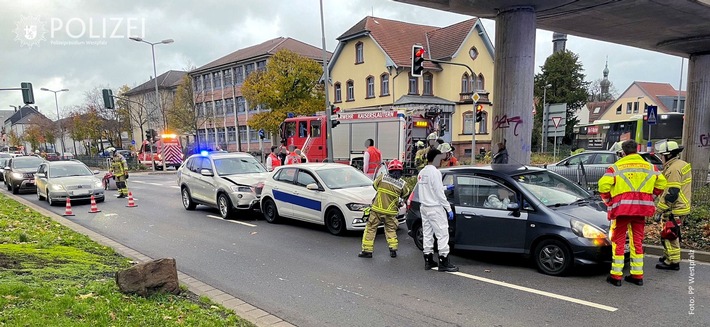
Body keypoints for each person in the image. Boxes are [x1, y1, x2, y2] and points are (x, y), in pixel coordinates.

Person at [598, 140, 666, 287]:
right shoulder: (650, 167)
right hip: (641, 210)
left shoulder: (615, 167)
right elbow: (662, 183)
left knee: (619, 241)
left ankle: (616, 276)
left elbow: (603, 186)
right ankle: (637, 275)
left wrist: (609, 201)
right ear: (637, 150)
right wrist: (651, 197)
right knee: (637, 242)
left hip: (622, 210)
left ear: (623, 152)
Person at [358, 159, 411, 258]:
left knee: (370, 229)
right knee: (391, 230)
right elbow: (406, 194)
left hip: (377, 210)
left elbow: (374, 186)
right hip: (391, 212)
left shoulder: (382, 177)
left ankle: (367, 251)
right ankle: (393, 250)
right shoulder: (402, 184)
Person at [417, 149, 459, 272]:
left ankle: (428, 260)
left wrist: (445, 187)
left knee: (428, 234)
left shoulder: (422, 172)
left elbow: (430, 188)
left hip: (424, 207)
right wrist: (448, 208)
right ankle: (444, 261)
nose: (442, 161)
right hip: (435, 208)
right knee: (442, 234)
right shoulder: (435, 173)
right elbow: (439, 193)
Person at [654, 140, 692, 271]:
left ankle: (672, 262)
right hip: (682, 206)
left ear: (668, 155)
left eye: (662, 155)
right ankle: (668, 256)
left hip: (674, 208)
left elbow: (672, 193)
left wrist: (660, 209)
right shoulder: (681, 164)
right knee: (673, 232)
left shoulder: (673, 169)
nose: (661, 158)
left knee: (669, 234)